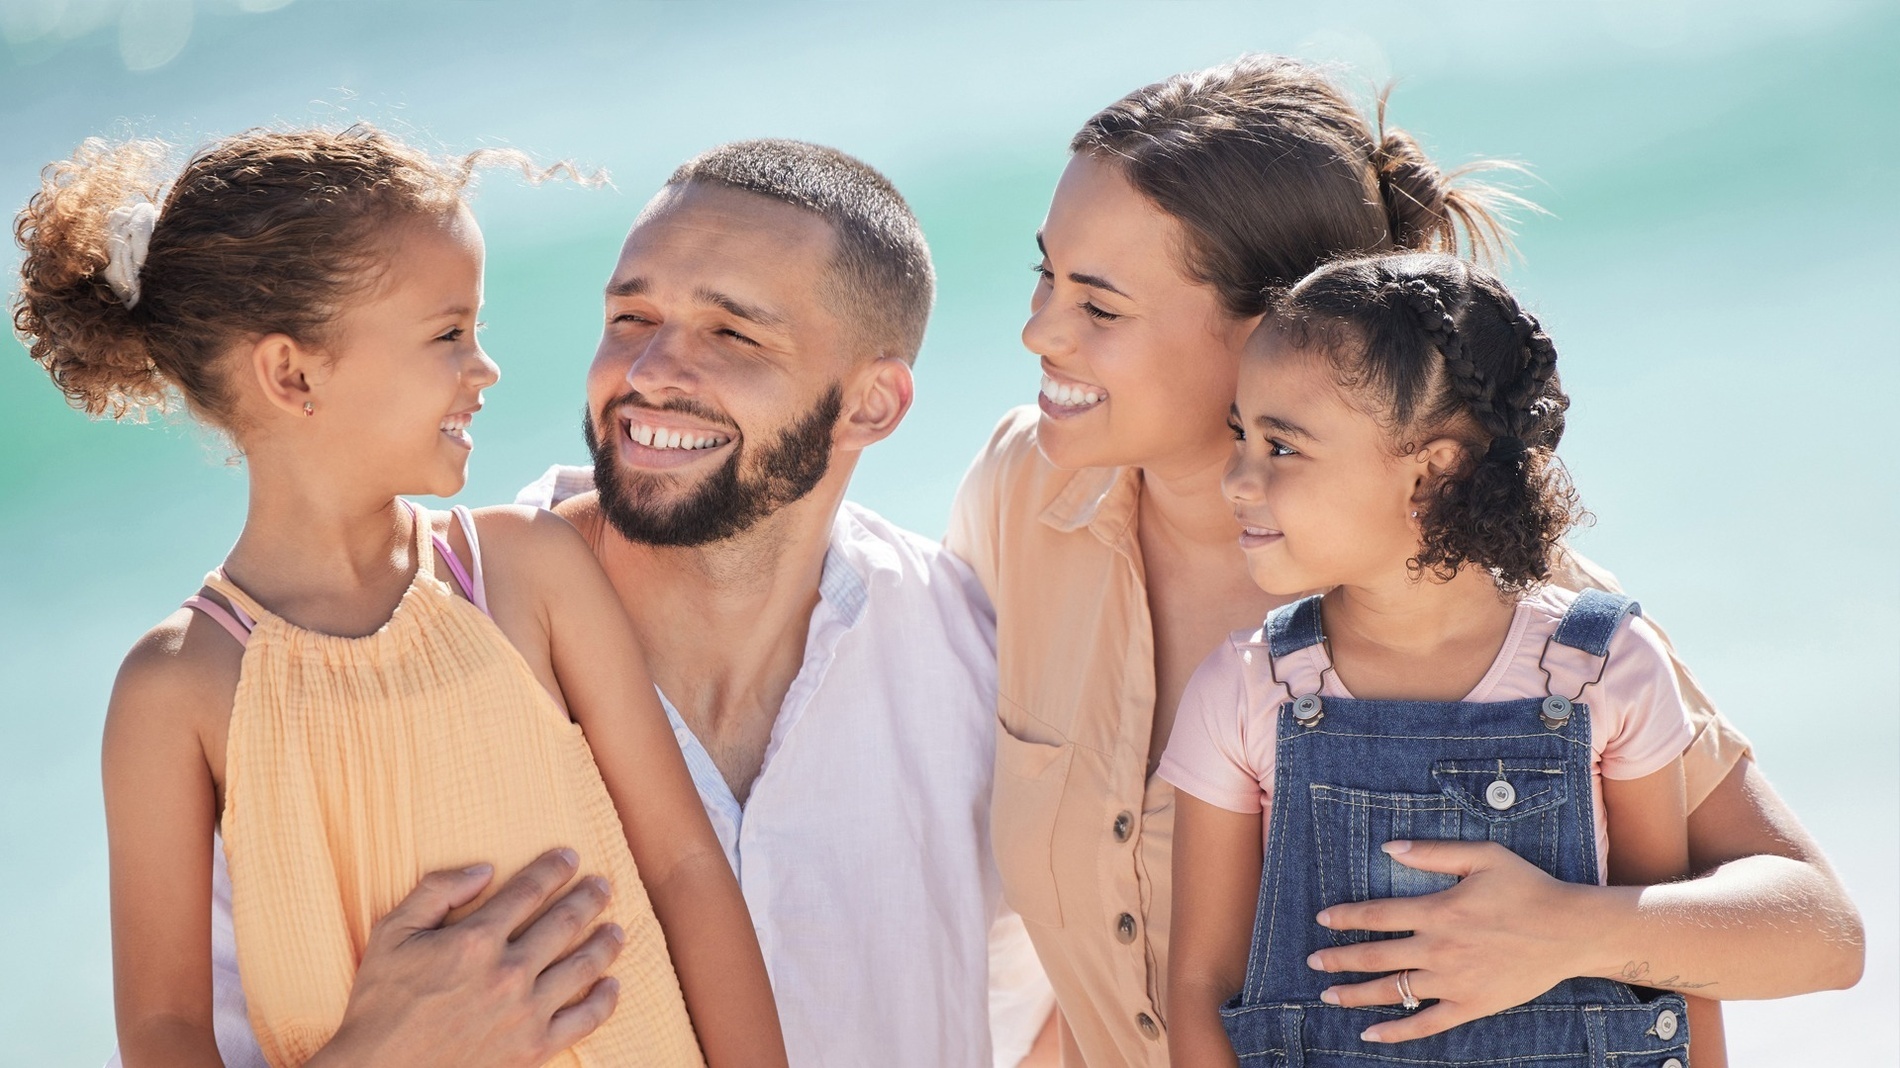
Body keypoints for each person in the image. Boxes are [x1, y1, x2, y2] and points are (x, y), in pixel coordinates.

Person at [947, 54, 1863, 1067]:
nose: (1038, 330)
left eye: (1098, 306)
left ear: (1274, 331)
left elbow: (1817, 930)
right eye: (1044, 274)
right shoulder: (1021, 496)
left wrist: (1572, 928)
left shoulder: (1507, 616)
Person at [88, 136, 1053, 1068]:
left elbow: (1081, 991)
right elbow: (177, 1029)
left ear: (872, 404)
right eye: (630, 318)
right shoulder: (217, 693)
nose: (648, 372)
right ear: (291, 372)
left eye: (731, 332)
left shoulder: (965, 657)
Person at [15, 127, 786, 1068]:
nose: (485, 365)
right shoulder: (177, 688)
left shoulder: (525, 571)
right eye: (448, 331)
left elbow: (685, 869)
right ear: (293, 374)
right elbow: (165, 1033)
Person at [1163, 251, 1710, 1064]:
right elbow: (1200, 989)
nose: (1236, 480)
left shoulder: (1605, 669)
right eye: (1242, 435)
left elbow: (1673, 968)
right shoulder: (1247, 691)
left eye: (1281, 447)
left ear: (1432, 470)